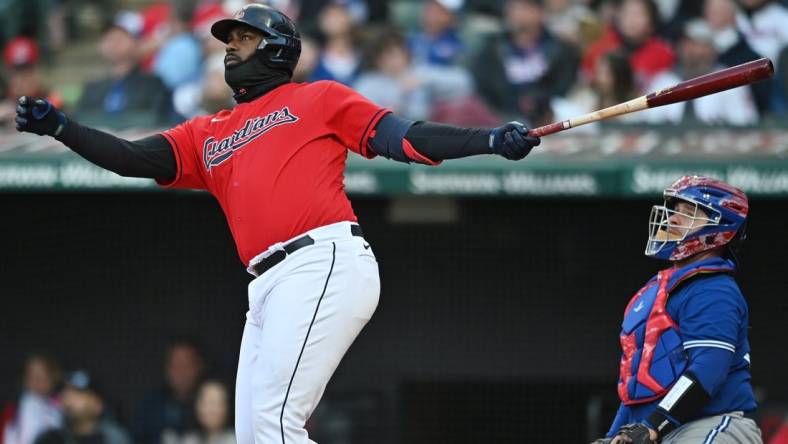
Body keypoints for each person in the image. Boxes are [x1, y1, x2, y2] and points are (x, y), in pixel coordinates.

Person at [13, 4, 540, 443]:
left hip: (322, 261)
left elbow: (405, 137)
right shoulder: (208, 131)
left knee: (272, 423)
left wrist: (489, 140)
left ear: (275, 47)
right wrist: (62, 127)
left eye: (242, 37)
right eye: (228, 39)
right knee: (253, 433)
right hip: (266, 285)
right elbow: (131, 158)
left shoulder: (319, 98)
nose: (229, 47)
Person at [590, 175, 762, 444]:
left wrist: (653, 425)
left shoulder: (714, 289)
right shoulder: (656, 287)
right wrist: (614, 435)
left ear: (720, 224)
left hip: (711, 423)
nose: (672, 218)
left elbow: (708, 368)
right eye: (675, 210)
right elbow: (637, 384)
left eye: (689, 211)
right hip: (660, 429)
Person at [470, 0, 579, 124]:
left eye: (523, 8)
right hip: (501, 116)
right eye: (512, 8)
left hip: (548, 116)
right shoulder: (492, 47)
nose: (516, 14)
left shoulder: (560, 48)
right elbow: (483, 87)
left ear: (539, 12)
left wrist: (539, 102)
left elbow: (563, 86)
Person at [636, 19, 759, 125]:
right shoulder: (662, 81)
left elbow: (746, 124)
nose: (695, 51)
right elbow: (645, 125)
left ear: (713, 49)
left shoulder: (730, 81)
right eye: (689, 44)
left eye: (702, 44)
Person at [72, 11, 173, 129]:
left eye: (121, 37)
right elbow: (79, 123)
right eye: (108, 37)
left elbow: (156, 122)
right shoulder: (92, 88)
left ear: (138, 42)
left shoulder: (153, 84)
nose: (113, 42)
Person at [132, 338, 205, 444]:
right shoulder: (150, 406)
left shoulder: (211, 403)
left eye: (186, 365)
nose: (180, 372)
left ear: (199, 367)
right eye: (175, 365)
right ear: (167, 369)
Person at [34, 370, 131, 444]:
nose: (68, 398)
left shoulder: (114, 438)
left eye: (78, 393)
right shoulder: (50, 439)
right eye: (65, 393)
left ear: (97, 404)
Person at [1, 354, 62, 444]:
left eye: (42, 376)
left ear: (53, 378)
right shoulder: (13, 409)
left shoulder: (61, 407)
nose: (37, 381)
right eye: (31, 376)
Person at [162, 381, 235, 444]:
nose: (210, 409)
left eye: (216, 403)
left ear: (227, 407)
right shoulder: (189, 440)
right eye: (206, 402)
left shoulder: (237, 440)